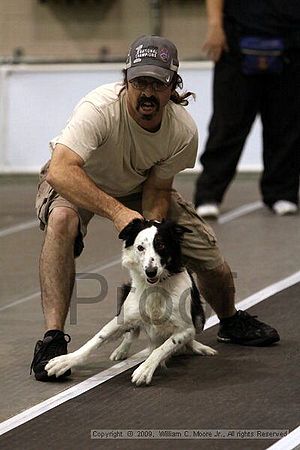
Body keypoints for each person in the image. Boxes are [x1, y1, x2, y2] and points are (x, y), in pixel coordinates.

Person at [30, 35, 279, 382]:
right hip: (79, 179)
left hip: (138, 186)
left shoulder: (181, 130)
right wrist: (117, 214)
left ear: (173, 85)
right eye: (139, 82)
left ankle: (230, 319)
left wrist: (152, 229)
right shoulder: (99, 109)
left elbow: (159, 188)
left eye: (157, 83)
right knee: (61, 219)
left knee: (206, 254)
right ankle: (54, 339)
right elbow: (60, 169)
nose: (147, 92)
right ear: (126, 80)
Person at [194, 0, 300, 219]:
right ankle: (209, 194)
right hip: (237, 43)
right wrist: (215, 25)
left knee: (286, 125)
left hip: (289, 43)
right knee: (227, 125)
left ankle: (282, 193)